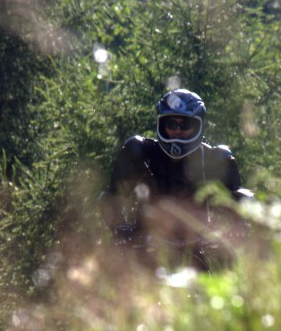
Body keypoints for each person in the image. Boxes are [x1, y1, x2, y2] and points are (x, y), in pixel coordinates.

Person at [99, 88, 252, 271]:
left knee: (228, 283)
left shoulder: (215, 159)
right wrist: (120, 229)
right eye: (171, 124)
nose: (177, 131)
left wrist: (236, 228)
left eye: (186, 125)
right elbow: (112, 198)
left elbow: (239, 204)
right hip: (146, 250)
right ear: (161, 125)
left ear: (198, 126)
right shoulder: (140, 152)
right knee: (112, 278)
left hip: (198, 255)